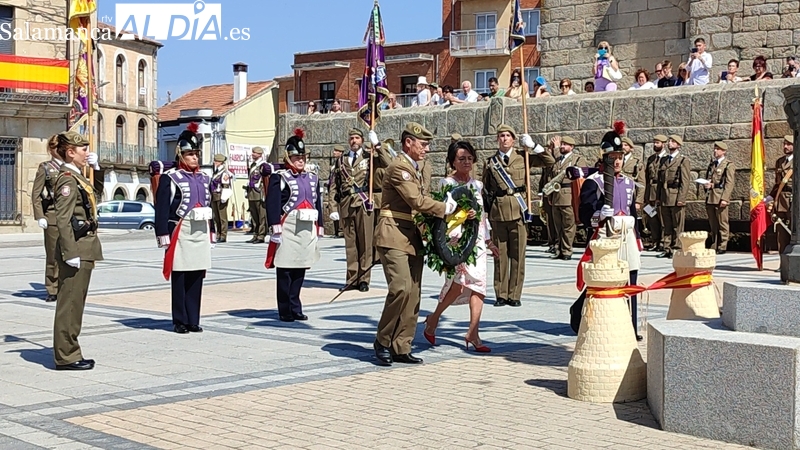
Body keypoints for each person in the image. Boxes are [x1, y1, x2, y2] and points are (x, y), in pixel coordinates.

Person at [373, 122, 455, 366]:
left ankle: (402, 345)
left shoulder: (416, 168)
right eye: (423, 144)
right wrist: (444, 209)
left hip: (412, 236)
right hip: (393, 234)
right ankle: (383, 340)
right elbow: (416, 200)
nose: (427, 148)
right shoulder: (400, 168)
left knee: (413, 294)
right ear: (408, 142)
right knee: (400, 288)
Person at [424, 141, 499, 352]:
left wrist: (488, 240)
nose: (466, 162)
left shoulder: (478, 185)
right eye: (461, 158)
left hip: (476, 240)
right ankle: (433, 318)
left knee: (480, 285)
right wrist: (464, 215)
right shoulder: (447, 183)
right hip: (456, 239)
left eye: (469, 158)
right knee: (458, 285)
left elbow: (482, 216)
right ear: (452, 162)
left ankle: (473, 332)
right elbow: (445, 213)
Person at [570, 128, 643, 340]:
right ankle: (583, 315)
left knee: (630, 278)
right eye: (613, 157)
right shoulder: (595, 182)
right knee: (604, 279)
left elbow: (632, 212)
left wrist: (638, 239)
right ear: (605, 157)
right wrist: (598, 214)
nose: (617, 161)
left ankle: (631, 326)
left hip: (626, 234)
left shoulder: (629, 183)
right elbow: (585, 214)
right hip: (604, 235)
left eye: (620, 157)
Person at [483, 124, 555, 307]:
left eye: (508, 135)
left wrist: (534, 146)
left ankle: (514, 294)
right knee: (500, 255)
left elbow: (550, 162)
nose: (504, 138)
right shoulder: (490, 162)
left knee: (518, 255)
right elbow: (486, 189)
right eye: (501, 136)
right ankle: (501, 293)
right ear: (497, 139)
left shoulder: (523, 158)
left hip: (518, 211)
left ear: (514, 140)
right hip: (498, 213)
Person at [155, 124, 214, 334]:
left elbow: (210, 205)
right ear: (181, 154)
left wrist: (212, 231)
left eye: (196, 154)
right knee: (179, 277)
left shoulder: (205, 178)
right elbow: (162, 209)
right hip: (179, 231)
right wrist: (162, 234)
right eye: (190, 154)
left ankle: (193, 318)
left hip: (200, 230)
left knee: (197, 276)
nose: (194, 158)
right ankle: (179, 319)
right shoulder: (170, 178)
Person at [52, 131, 103, 370]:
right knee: (70, 303)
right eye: (83, 150)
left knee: (76, 303)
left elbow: (95, 198)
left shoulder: (78, 176)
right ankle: (66, 355)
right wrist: (70, 252)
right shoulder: (67, 179)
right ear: (70, 152)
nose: (86, 153)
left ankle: (70, 349)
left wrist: (98, 169)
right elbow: (62, 219)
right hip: (77, 248)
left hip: (85, 246)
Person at [265, 129, 324, 322]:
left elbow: (318, 203)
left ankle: (295, 305)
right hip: (288, 227)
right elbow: (272, 204)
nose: (301, 160)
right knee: (285, 269)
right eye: (296, 157)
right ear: (288, 157)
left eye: (302, 157)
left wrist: (320, 226)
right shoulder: (279, 177)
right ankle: (285, 309)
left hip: (307, 227)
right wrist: (275, 227)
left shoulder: (312, 177)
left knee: (300, 267)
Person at [333, 129, 375, 292]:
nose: (354, 141)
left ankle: (364, 279)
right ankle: (351, 279)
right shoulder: (341, 160)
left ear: (362, 140)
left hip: (364, 203)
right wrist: (332, 206)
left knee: (365, 243)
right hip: (346, 204)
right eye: (351, 138)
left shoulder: (369, 157)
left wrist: (377, 146)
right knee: (350, 244)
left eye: (357, 138)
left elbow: (386, 164)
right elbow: (334, 184)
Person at [32, 135, 65, 303]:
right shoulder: (45, 168)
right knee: (52, 255)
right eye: (55, 147)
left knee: (69, 254)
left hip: (70, 217)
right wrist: (40, 216)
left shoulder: (72, 167)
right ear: (51, 149)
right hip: (52, 216)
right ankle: (52, 288)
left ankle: (66, 287)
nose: (58, 150)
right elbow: (36, 194)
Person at [544, 136, 586, 260]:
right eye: (561, 144)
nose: (562, 146)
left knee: (568, 226)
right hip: (556, 195)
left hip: (569, 196)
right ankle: (559, 249)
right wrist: (550, 195)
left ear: (572, 147)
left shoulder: (578, 159)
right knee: (558, 226)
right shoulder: (557, 160)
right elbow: (550, 178)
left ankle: (567, 250)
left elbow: (581, 176)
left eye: (565, 144)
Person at [656, 135, 691, 259]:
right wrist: (658, 197)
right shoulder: (664, 160)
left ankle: (676, 248)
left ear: (678, 145)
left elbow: (685, 181)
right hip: (665, 196)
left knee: (677, 224)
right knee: (667, 225)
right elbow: (660, 180)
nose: (670, 143)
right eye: (669, 141)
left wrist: (681, 198)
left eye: (673, 142)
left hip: (675, 195)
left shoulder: (682, 160)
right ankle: (667, 248)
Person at [703, 142, 735, 254]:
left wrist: (725, 198)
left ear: (724, 151)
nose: (715, 151)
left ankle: (723, 244)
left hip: (720, 196)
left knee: (722, 222)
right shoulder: (712, 164)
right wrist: (706, 185)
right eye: (715, 149)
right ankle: (714, 243)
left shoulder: (728, 165)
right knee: (713, 223)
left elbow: (729, 183)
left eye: (718, 149)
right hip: (711, 196)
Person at [766, 135, 794, 253]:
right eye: (784, 144)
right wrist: (770, 196)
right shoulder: (780, 161)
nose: (785, 146)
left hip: (793, 200)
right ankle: (783, 261)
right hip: (780, 200)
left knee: (794, 232)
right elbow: (778, 183)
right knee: (781, 233)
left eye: (788, 144)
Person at [643, 135, 668, 251]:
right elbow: (647, 176)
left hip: (661, 191)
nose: (655, 145)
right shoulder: (651, 159)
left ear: (664, 144)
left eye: (657, 143)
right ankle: (655, 240)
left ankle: (663, 241)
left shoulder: (667, 158)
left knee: (662, 218)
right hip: (650, 192)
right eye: (654, 142)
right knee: (651, 217)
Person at [210, 154, 234, 243]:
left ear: (220, 162)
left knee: (222, 217)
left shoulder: (224, 173)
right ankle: (218, 234)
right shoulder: (216, 172)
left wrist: (224, 197)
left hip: (221, 196)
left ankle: (223, 235)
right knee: (216, 217)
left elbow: (226, 186)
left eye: (216, 161)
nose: (214, 162)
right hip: (214, 196)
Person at [245, 147, 267, 243]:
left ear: (260, 154)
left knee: (261, 215)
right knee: (254, 215)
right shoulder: (253, 165)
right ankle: (255, 234)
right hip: (251, 193)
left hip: (259, 193)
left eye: (255, 153)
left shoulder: (263, 165)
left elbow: (264, 180)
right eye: (253, 152)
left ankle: (261, 236)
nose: (253, 154)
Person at [327, 144, 345, 237]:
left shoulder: (342, 163)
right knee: (335, 209)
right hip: (335, 190)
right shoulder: (334, 164)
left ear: (341, 153)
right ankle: (337, 230)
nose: (334, 152)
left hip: (341, 191)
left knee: (341, 210)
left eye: (336, 151)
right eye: (334, 150)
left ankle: (341, 230)